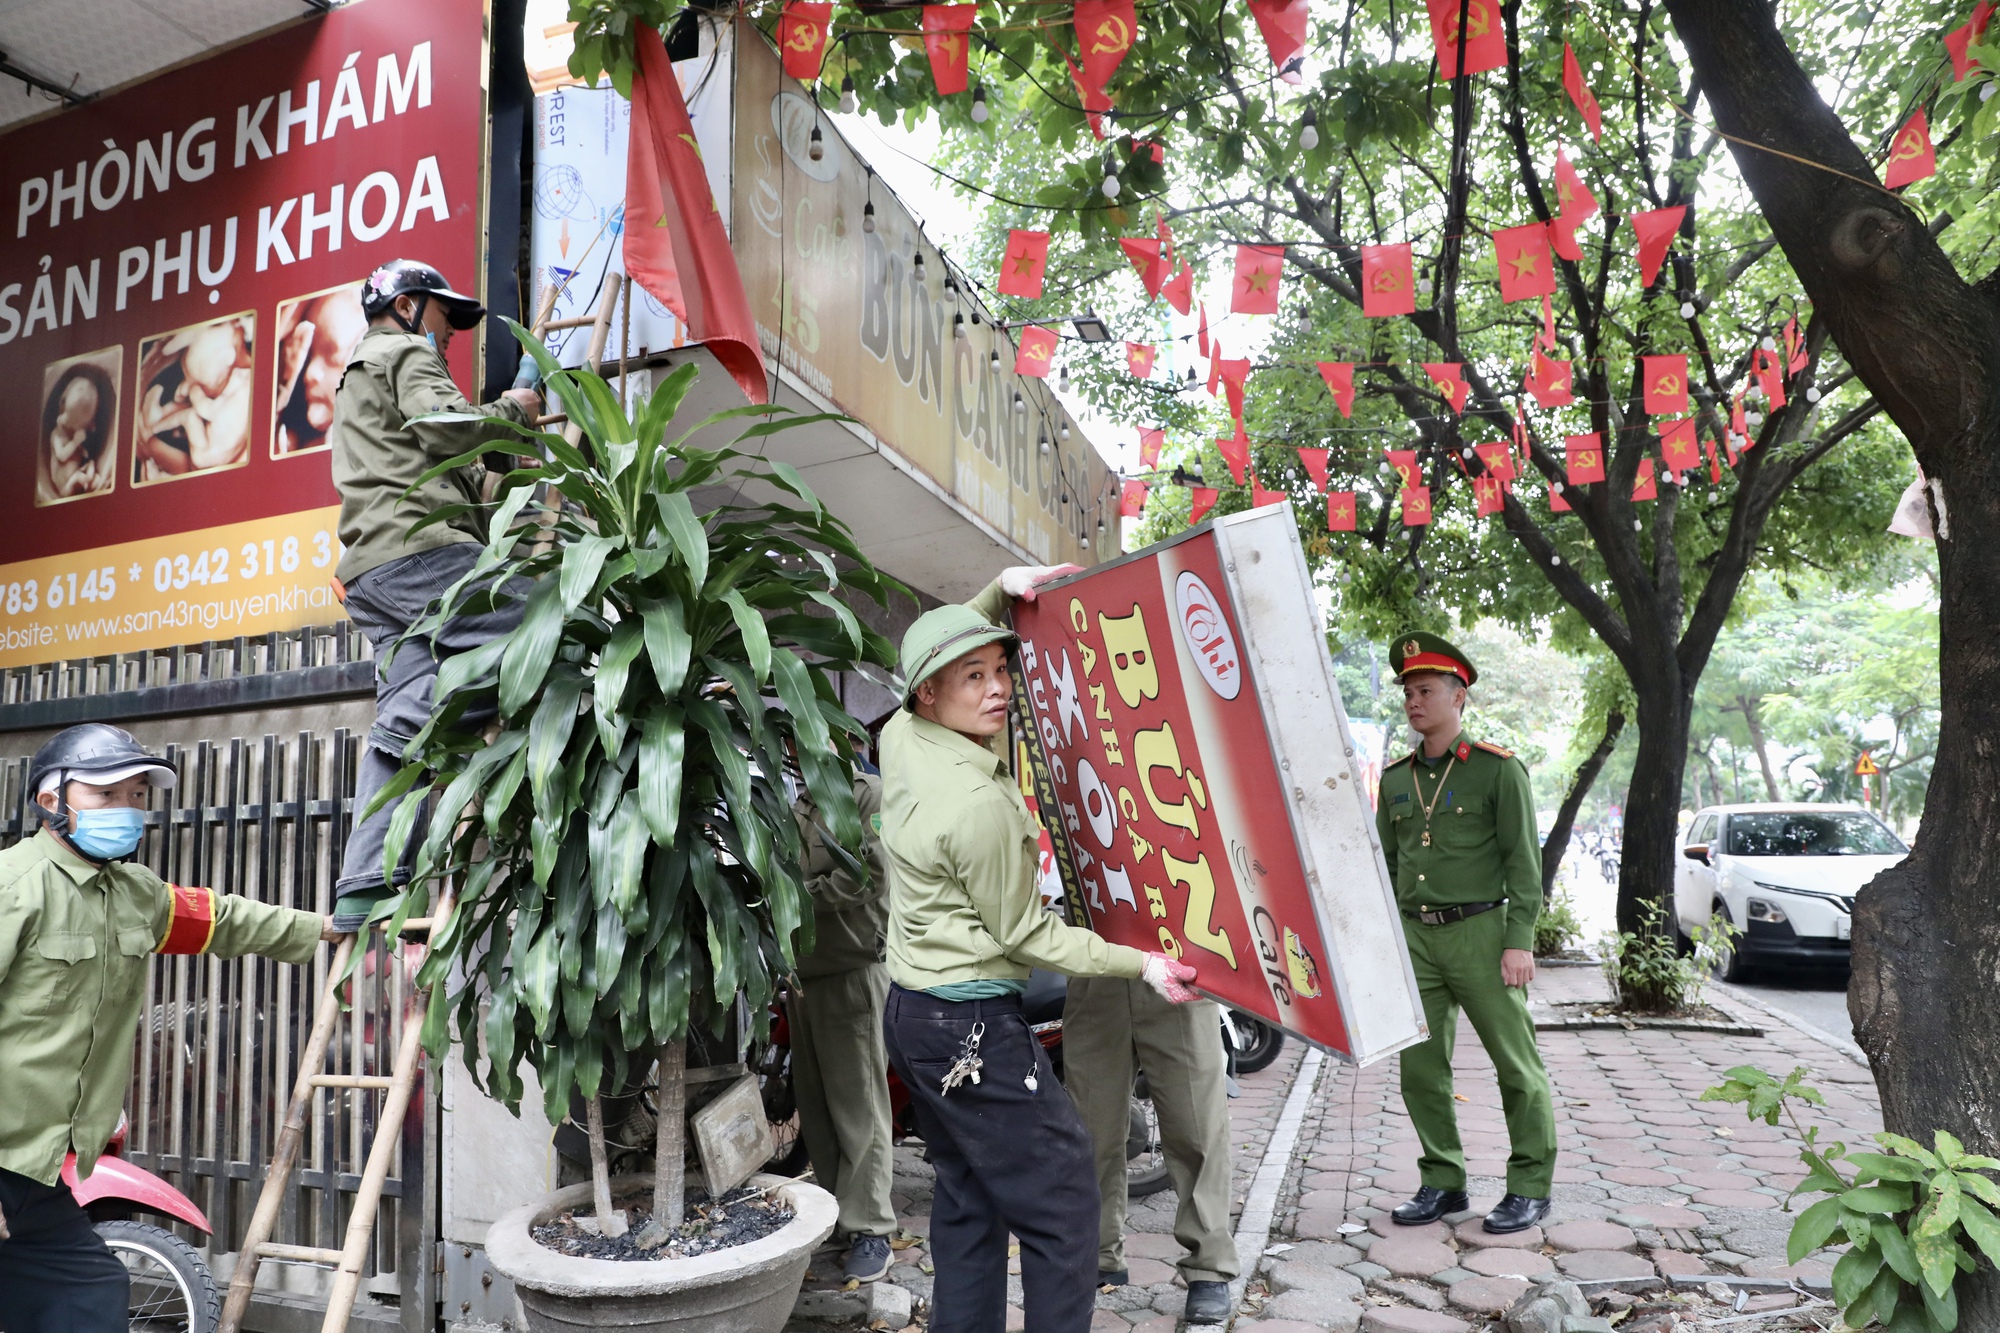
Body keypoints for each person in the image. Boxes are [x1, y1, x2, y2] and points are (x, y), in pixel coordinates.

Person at [880, 565, 1202, 1333]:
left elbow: (955, 647)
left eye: (999, 671)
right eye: (972, 677)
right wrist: (1144, 963)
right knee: (1064, 1200)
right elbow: (1029, 933)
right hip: (971, 1030)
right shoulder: (976, 804)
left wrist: (998, 589)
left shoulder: (900, 737)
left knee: (970, 1195)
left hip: (913, 1016)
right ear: (929, 691)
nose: (997, 690)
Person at [0, 724, 335, 1330]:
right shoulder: (12, 887)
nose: (126, 810)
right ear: (52, 803)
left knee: (88, 1296)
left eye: (137, 796)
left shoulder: (134, 895)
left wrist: (326, 928)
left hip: (41, 1165)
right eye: (106, 795)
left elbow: (223, 919)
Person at [326, 259, 542, 933]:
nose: (446, 340)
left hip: (374, 573)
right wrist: (515, 410)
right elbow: (449, 427)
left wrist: (498, 449)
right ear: (408, 305)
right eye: (445, 322)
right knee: (543, 615)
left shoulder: (356, 375)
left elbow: (441, 463)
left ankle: (363, 882)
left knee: (406, 710)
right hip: (422, 554)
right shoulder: (402, 353)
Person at [1375, 632, 1556, 1235]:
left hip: (1482, 933)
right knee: (1421, 1070)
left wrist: (1519, 939)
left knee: (1515, 1065)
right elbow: (1389, 862)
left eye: (1425, 690)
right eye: (1408, 692)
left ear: (1459, 698)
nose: (1413, 701)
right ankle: (1443, 1181)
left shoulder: (1499, 772)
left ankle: (1530, 1186)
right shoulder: (1396, 779)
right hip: (1416, 939)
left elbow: (1523, 863)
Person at [1064, 977, 1238, 1323]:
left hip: (1181, 973)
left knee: (1197, 1129)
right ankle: (1096, 1255)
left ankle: (1209, 1267)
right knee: (1089, 1130)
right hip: (1096, 972)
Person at [787, 766, 897, 1285]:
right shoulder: (800, 800)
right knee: (818, 1109)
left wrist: (797, 898)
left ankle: (872, 1228)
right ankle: (837, 1217)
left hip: (852, 969)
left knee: (859, 1107)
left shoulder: (865, 794)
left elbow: (872, 876)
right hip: (805, 973)